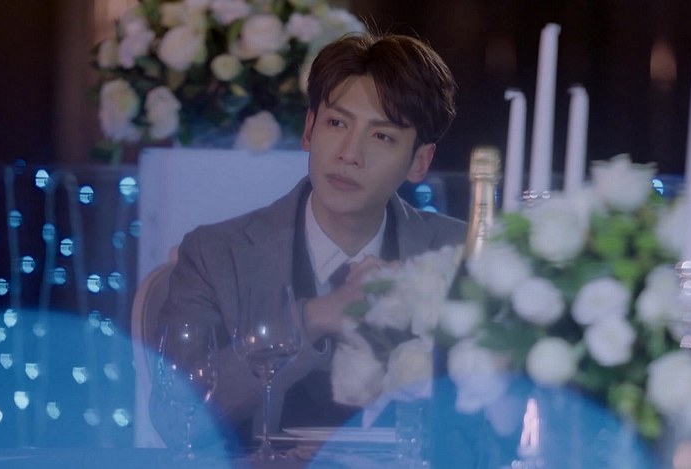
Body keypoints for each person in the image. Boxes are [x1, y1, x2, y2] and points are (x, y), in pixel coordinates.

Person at [150, 32, 466, 448]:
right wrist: (313, 318)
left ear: (419, 161)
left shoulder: (460, 254)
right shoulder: (216, 255)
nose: (349, 154)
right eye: (336, 124)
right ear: (309, 129)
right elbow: (178, 419)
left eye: (382, 136)